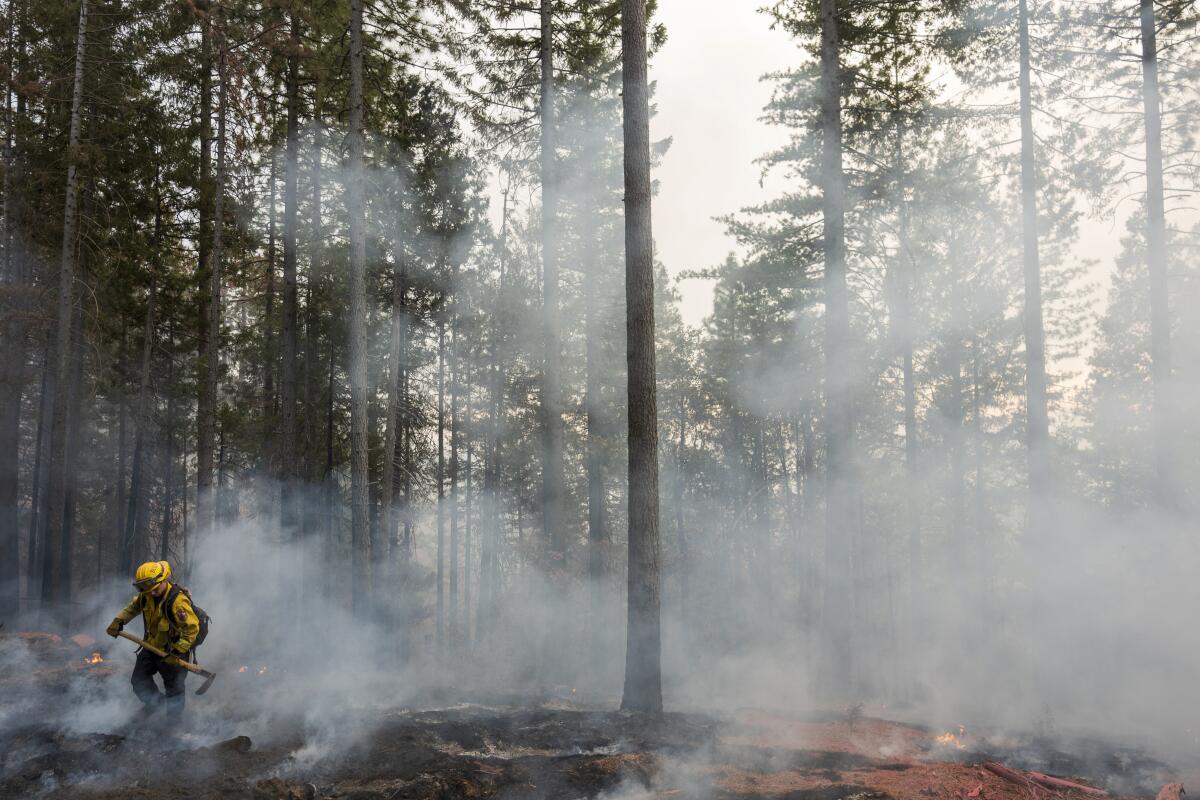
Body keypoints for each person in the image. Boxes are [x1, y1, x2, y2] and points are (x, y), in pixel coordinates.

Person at [106, 560, 199, 721]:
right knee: (139, 681)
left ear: (163, 580)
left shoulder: (178, 602)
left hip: (173, 651)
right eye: (146, 589)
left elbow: (191, 630)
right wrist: (118, 621)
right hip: (151, 646)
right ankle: (157, 705)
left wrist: (177, 652)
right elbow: (132, 608)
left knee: (174, 689)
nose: (151, 593)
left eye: (154, 589)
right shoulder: (146, 595)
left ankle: (173, 724)